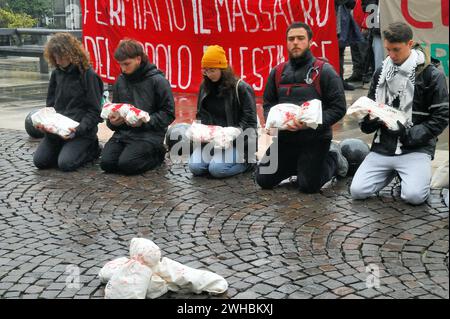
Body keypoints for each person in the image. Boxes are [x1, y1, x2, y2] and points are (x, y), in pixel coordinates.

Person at [350, 22, 449, 205]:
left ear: (410, 44)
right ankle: (391, 172)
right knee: (357, 191)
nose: (392, 55)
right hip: (383, 147)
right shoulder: (381, 71)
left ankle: (407, 174)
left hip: (415, 148)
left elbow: (442, 117)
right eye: (388, 49)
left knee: (414, 197)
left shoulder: (432, 74)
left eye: (397, 50)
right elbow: (370, 108)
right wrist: (368, 120)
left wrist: (408, 134)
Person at [255, 22, 348, 194]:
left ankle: (333, 158)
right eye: (291, 39)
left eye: (300, 38)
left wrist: (310, 124)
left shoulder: (325, 71)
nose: (295, 42)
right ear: (286, 42)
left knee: (308, 186)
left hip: (315, 139)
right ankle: (298, 166)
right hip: (286, 140)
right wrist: (276, 122)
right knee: (263, 179)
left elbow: (339, 108)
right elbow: (268, 104)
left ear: (310, 42)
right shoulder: (277, 72)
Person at [100, 39, 175, 175]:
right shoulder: (120, 80)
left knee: (127, 164)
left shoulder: (158, 81)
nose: (123, 69)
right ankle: (132, 153)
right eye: (120, 65)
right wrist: (112, 121)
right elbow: (116, 108)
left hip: (149, 135)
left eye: (127, 64)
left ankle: (158, 154)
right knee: (106, 163)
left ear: (138, 59)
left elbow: (168, 113)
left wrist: (146, 121)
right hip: (123, 134)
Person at [33, 33, 103, 172]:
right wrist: (45, 123)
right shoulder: (57, 73)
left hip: (80, 131)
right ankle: (63, 149)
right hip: (58, 131)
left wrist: (79, 129)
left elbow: (95, 111)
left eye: (60, 56)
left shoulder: (88, 75)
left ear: (71, 53)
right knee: (40, 162)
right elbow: (51, 106)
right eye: (55, 57)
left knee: (66, 164)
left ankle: (93, 148)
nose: (57, 61)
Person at [188, 45, 258, 178]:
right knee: (195, 167)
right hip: (211, 140)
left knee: (216, 169)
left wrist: (231, 133)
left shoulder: (241, 88)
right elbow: (200, 114)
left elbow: (250, 123)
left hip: (236, 142)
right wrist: (198, 130)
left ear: (223, 68)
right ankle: (216, 159)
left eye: (212, 70)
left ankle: (248, 164)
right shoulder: (205, 87)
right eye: (206, 71)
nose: (209, 74)